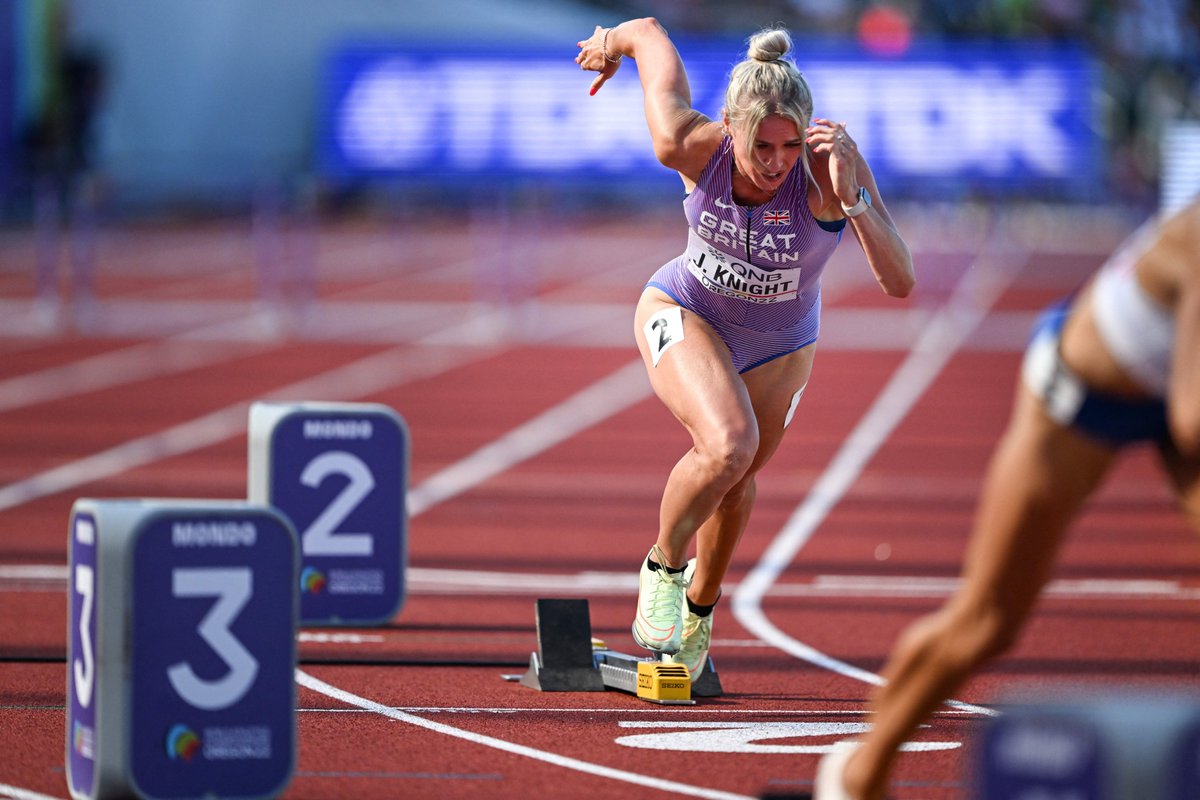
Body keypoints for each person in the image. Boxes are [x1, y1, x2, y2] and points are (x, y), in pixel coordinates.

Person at [814, 197, 1200, 799]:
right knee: (986, 621)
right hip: (1075, 403)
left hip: (1164, 400)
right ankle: (861, 773)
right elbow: (1192, 420)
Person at [575, 19, 915, 681]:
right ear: (730, 125)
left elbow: (900, 281)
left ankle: (700, 613)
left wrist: (853, 200)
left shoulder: (825, 166)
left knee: (737, 481)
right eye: (762, 143)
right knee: (727, 445)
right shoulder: (688, 144)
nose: (777, 160)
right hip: (687, 308)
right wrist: (607, 43)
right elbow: (647, 33)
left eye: (790, 144)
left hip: (781, 345)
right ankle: (665, 568)